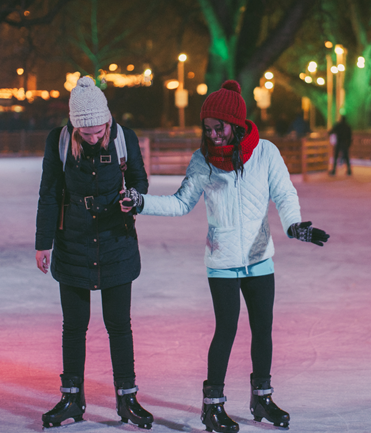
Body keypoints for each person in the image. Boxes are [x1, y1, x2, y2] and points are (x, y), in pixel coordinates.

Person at [120, 80, 329, 433]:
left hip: (260, 258)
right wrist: (142, 202)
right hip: (222, 262)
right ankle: (212, 405)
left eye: (219, 127)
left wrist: (294, 226)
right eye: (208, 128)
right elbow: (181, 202)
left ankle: (261, 396)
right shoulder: (203, 161)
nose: (213, 134)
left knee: (263, 329)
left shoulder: (266, 153)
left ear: (236, 123)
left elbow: (284, 193)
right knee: (227, 329)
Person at [34, 76, 153, 429]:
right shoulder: (58, 141)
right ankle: (72, 398)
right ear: (74, 127)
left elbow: (140, 179)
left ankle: (127, 398)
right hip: (73, 242)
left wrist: (133, 198)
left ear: (107, 119)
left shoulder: (123, 137)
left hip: (116, 241)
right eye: (85, 133)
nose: (93, 136)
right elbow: (49, 192)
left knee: (119, 325)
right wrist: (44, 242)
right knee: (74, 325)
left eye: (98, 129)